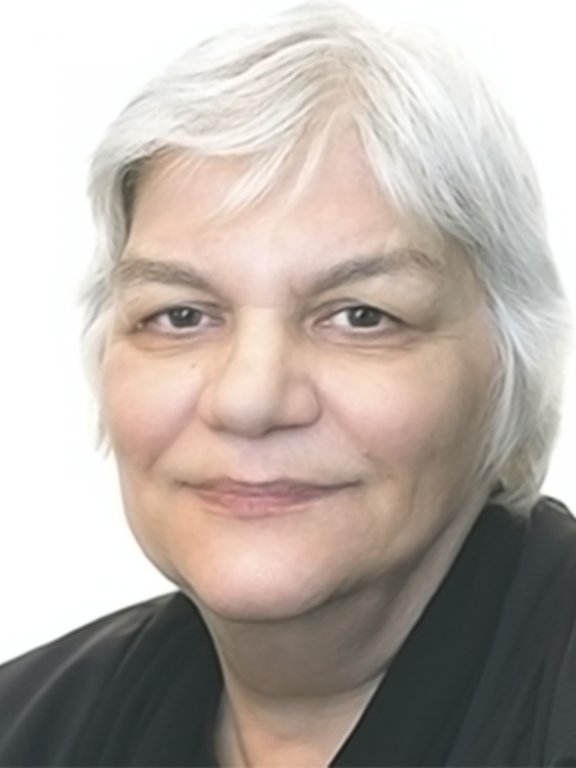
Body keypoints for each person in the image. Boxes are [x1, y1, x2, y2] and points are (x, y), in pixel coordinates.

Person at [0, 3, 574, 766]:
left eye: (362, 316)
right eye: (179, 315)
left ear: (512, 370)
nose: (248, 399)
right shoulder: (23, 730)